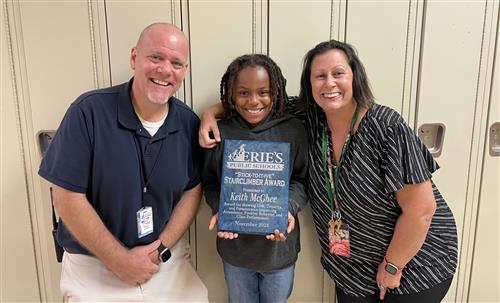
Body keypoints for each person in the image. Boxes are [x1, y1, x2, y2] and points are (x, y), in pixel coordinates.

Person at [199, 40, 458, 303]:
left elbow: (422, 211)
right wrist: (209, 114)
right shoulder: (310, 117)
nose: (329, 84)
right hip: (352, 269)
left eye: (338, 73)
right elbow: (256, 102)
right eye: (319, 76)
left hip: (413, 264)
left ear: (355, 77)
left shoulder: (387, 127)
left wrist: (393, 265)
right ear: (309, 84)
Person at [39, 23, 208, 302]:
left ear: (184, 71)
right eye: (156, 57)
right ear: (134, 58)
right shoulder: (88, 112)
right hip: (94, 264)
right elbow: (66, 197)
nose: (166, 70)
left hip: (163, 261)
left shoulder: (188, 123)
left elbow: (193, 190)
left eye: (176, 63)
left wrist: (159, 249)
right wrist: (119, 260)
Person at [202, 54, 308, 303]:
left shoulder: (292, 130)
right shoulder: (220, 131)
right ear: (230, 94)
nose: (253, 101)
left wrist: (288, 209)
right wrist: (221, 209)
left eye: (263, 92)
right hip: (236, 251)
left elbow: (302, 180)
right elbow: (210, 181)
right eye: (243, 93)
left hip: (279, 250)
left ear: (276, 92)